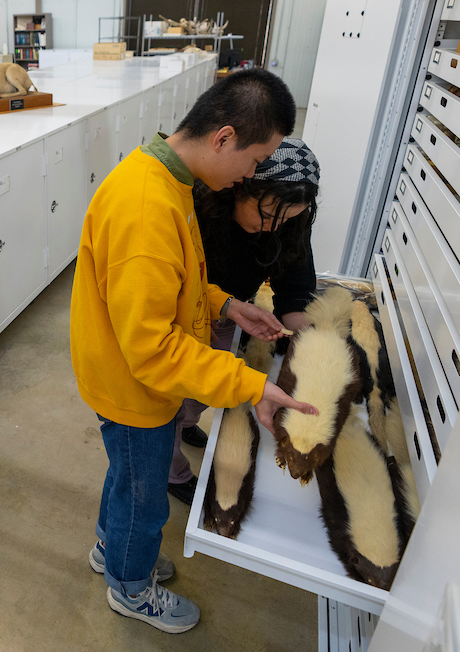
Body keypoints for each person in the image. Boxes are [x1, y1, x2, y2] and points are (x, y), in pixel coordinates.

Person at [70, 68, 318, 634]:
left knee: (127, 478)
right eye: (254, 163)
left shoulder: (166, 181)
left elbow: (172, 283)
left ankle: (114, 552)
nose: (251, 177)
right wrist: (252, 384)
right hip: (135, 388)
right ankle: (130, 590)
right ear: (224, 137)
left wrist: (228, 306)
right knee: (146, 497)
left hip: (126, 377)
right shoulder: (145, 208)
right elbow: (153, 350)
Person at [168, 138, 321, 504]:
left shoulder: (285, 221)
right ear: (240, 187)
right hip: (182, 315)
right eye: (266, 215)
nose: (274, 227)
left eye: (288, 219)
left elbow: (295, 289)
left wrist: (313, 346)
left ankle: (187, 424)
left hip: (229, 314)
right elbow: (178, 284)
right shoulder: (199, 208)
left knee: (200, 397)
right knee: (171, 402)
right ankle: (172, 471)